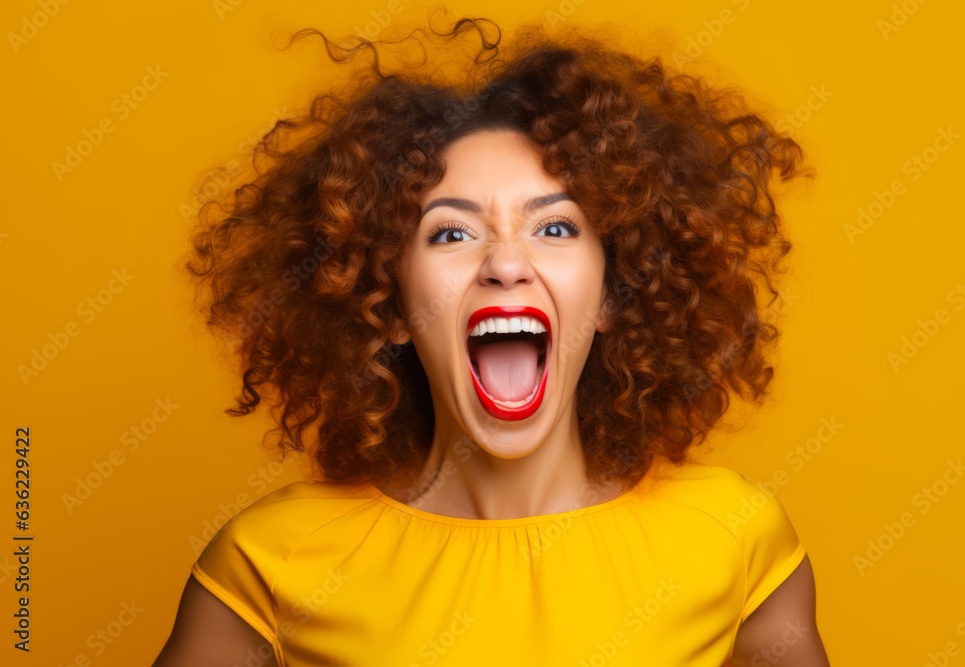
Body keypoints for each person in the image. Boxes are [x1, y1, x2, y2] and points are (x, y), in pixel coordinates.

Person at [153, 13, 830, 667]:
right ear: (386, 303)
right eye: (451, 232)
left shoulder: (734, 542)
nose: (506, 263)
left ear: (613, 296)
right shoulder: (271, 563)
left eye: (555, 227)